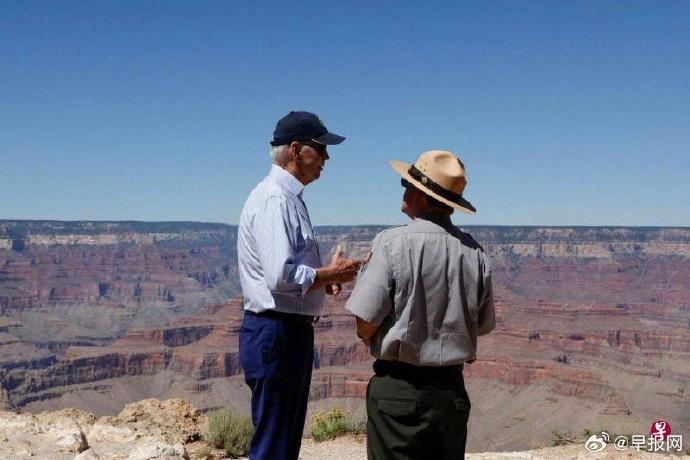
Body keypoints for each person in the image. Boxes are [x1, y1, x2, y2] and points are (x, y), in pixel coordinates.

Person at [345, 150, 496, 460]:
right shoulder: (474, 253)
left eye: (407, 183)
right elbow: (482, 325)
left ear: (421, 195)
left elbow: (365, 321)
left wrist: (369, 336)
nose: (404, 190)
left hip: (399, 393)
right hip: (451, 393)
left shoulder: (391, 244)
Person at [237, 111, 361, 460]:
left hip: (287, 332)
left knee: (284, 442)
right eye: (320, 149)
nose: (326, 158)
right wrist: (328, 275)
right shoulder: (275, 199)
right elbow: (280, 276)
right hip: (276, 333)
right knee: (274, 445)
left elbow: (289, 275)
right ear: (295, 149)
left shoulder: (288, 198)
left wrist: (323, 281)